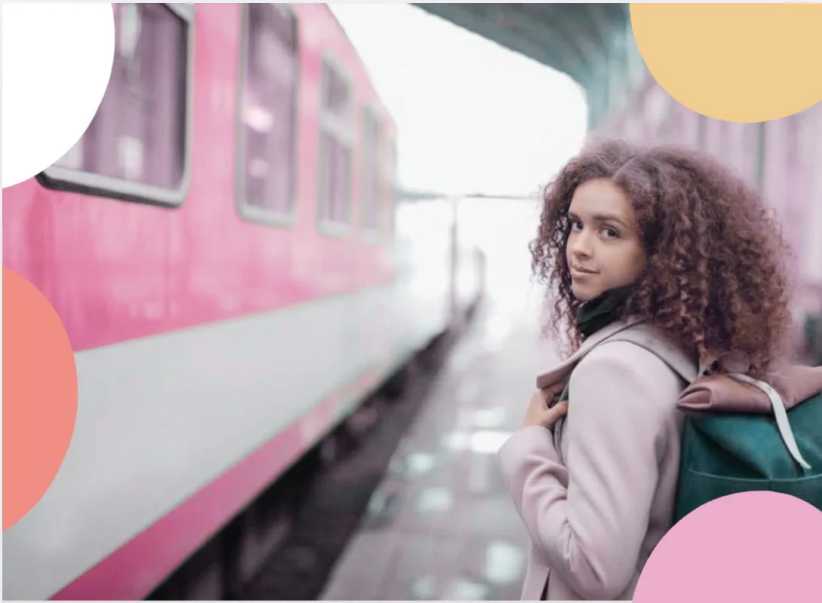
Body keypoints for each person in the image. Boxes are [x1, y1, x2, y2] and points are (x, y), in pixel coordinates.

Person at [498, 139, 792, 600]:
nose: (579, 248)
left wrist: (528, 450)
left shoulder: (615, 372)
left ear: (660, 252)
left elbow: (594, 570)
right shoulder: (683, 345)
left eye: (609, 232)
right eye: (576, 225)